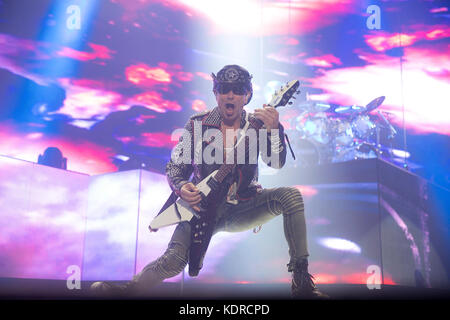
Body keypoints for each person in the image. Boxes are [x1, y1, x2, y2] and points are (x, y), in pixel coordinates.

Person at [91, 65, 328, 299]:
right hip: (200, 206)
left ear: (247, 95)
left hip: (242, 205)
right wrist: (182, 187)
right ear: (216, 94)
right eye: (224, 89)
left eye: (237, 89)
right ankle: (127, 292)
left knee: (291, 196)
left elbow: (275, 163)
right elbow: (175, 166)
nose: (230, 95)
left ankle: (302, 285)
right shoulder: (197, 124)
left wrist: (274, 130)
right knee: (173, 261)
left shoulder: (257, 125)